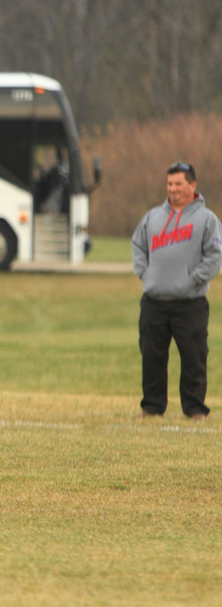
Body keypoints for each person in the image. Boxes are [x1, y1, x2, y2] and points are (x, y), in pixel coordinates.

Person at [131, 161, 222, 419]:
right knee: (152, 357)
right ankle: (152, 406)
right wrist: (145, 272)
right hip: (154, 301)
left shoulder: (207, 219)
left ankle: (194, 409)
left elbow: (215, 255)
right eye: (169, 184)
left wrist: (194, 279)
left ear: (192, 186)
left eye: (178, 184)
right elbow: (138, 245)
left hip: (190, 303)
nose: (173, 189)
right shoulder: (153, 217)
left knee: (194, 358)